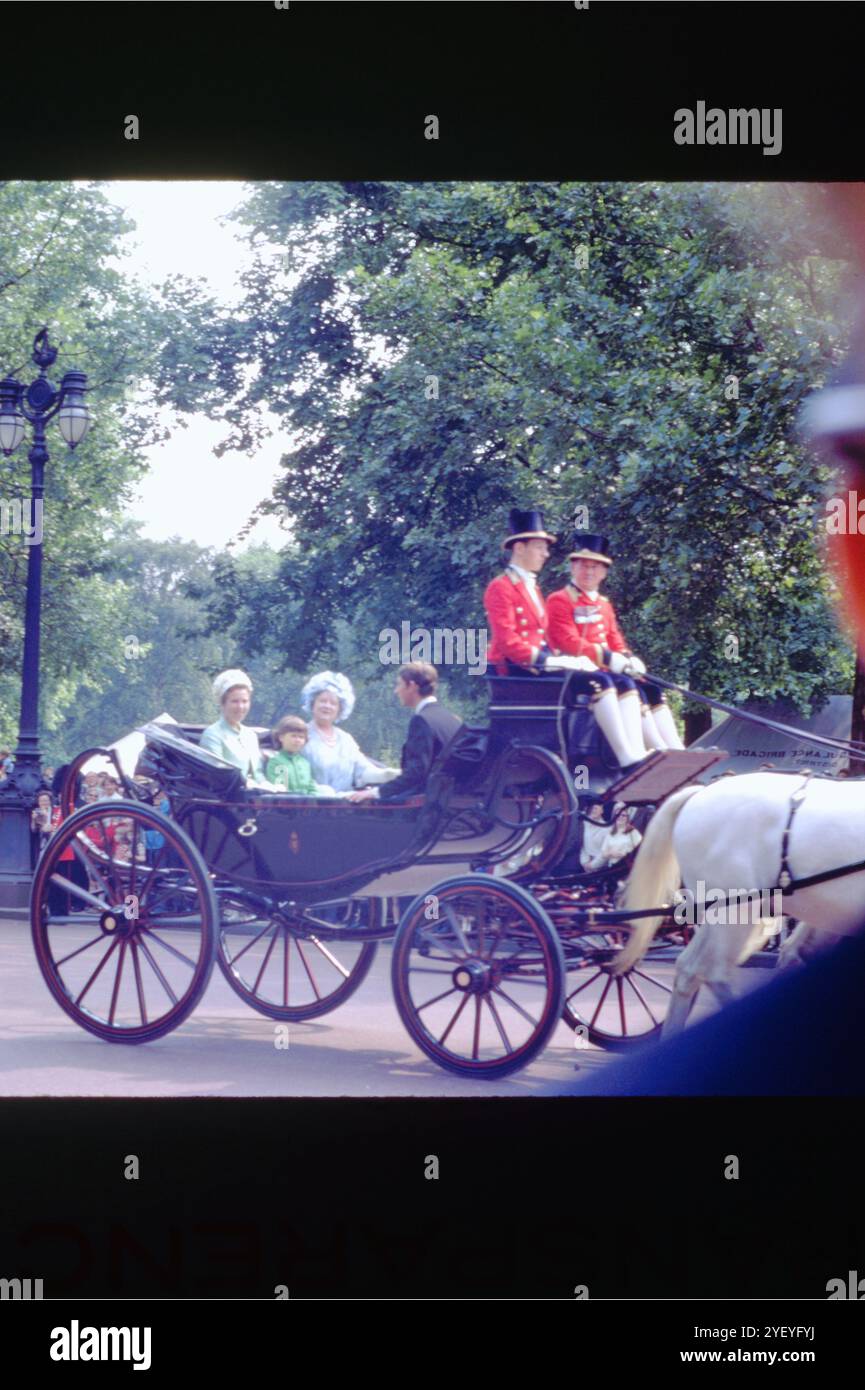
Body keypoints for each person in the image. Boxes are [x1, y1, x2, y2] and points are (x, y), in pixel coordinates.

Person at [484, 509, 649, 772]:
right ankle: (624, 756)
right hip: (517, 673)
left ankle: (636, 752)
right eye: (539, 547)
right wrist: (550, 661)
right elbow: (507, 641)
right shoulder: (500, 587)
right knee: (600, 682)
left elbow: (541, 636)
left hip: (537, 667)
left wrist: (567, 659)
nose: (546, 554)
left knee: (625, 683)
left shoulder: (532, 587)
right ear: (519, 547)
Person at [547, 531, 685, 751]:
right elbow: (568, 641)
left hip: (607, 671)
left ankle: (675, 748)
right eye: (583, 565)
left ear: (603, 572)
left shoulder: (603, 604)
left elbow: (615, 639)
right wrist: (609, 658)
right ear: (573, 567)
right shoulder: (559, 600)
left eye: (595, 567)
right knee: (627, 686)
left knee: (650, 689)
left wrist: (629, 658)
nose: (588, 572)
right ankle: (649, 750)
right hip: (576, 672)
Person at [347, 662, 462, 804]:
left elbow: (416, 772)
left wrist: (376, 792)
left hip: (425, 805)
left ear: (412, 686)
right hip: (449, 799)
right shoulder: (451, 719)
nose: (396, 691)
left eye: (399, 684)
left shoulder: (421, 720)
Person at [301, 671, 397, 793]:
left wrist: (391, 775)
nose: (327, 706)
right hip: (308, 806)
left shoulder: (345, 739)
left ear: (340, 709)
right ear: (312, 703)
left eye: (333, 703)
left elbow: (363, 771)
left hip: (345, 807)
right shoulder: (300, 734)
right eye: (323, 701)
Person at [199, 668, 270, 788]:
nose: (241, 707)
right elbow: (218, 776)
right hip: (229, 800)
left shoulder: (250, 735)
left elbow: (258, 773)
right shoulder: (212, 734)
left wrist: (268, 786)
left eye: (245, 701)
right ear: (223, 703)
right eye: (235, 701)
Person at [266, 715, 333, 795]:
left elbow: (311, 787)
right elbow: (279, 790)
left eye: (301, 737)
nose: (297, 740)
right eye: (293, 736)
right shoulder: (275, 761)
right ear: (281, 737)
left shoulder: (305, 763)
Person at [579, 802, 610, 872]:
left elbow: (605, 851)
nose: (593, 810)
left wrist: (593, 865)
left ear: (602, 810)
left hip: (600, 867)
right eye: (592, 808)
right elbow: (583, 846)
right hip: (585, 865)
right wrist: (584, 862)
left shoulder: (607, 828)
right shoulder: (585, 824)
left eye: (596, 808)